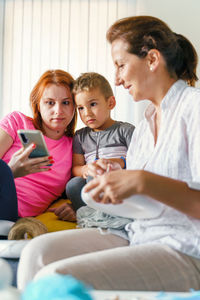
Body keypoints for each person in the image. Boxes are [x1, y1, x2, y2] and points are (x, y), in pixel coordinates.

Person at [17, 16, 200, 292]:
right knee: (36, 255)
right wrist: (115, 182)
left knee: (54, 278)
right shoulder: (146, 125)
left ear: (152, 59)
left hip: (184, 247)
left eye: (121, 65)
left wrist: (141, 181)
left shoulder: (193, 109)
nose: (116, 78)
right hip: (137, 233)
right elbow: (141, 200)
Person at [0, 69, 77, 222]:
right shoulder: (17, 122)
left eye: (66, 103)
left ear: (75, 106)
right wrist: (11, 171)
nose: (58, 111)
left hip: (13, 216)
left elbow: (84, 185)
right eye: (50, 103)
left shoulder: (76, 146)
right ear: (38, 105)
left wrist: (77, 207)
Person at [66, 72, 135, 212]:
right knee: (73, 185)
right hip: (91, 184)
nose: (87, 113)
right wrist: (85, 169)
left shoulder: (125, 130)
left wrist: (119, 162)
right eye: (81, 108)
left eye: (92, 104)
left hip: (117, 184)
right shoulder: (80, 136)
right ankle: (92, 213)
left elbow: (142, 161)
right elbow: (76, 168)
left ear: (110, 103)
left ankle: (106, 214)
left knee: (96, 176)